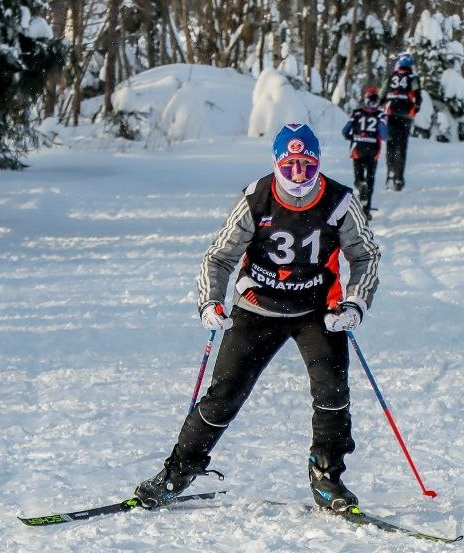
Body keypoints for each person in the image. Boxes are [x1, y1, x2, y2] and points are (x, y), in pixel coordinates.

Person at [135, 123, 382, 513]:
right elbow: (219, 257)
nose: (298, 175)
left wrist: (354, 304)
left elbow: (365, 255)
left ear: (318, 162)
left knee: (332, 394)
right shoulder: (256, 198)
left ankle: (327, 479)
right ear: (277, 163)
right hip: (257, 307)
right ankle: (177, 472)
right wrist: (210, 303)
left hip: (318, 311)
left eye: (306, 165)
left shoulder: (339, 200)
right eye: (290, 165)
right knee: (224, 397)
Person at [341, 86, 387, 218]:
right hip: (373, 149)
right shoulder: (380, 114)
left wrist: (352, 137)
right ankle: (366, 210)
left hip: (358, 147)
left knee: (358, 178)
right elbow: (384, 135)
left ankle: (360, 184)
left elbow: (345, 131)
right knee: (371, 178)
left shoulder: (356, 113)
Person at [381, 52, 421, 190]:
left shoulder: (392, 76)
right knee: (401, 148)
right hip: (405, 115)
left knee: (390, 146)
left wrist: (382, 107)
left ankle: (389, 175)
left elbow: (383, 93)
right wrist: (415, 109)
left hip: (391, 114)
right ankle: (398, 179)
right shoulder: (413, 78)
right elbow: (418, 96)